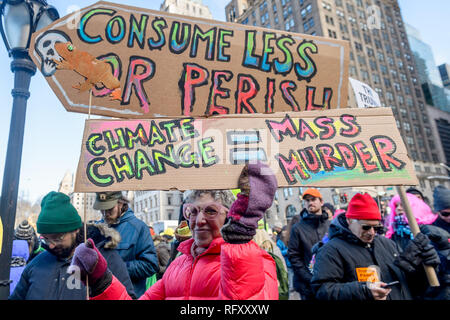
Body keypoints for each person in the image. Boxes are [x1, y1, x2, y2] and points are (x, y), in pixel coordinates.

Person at [69, 162, 279, 300]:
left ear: (230, 215)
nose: (199, 220)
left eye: (211, 211)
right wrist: (101, 280)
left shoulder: (259, 261)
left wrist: (239, 239)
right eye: (192, 211)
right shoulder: (179, 264)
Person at [310, 193, 441, 300]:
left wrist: (421, 268)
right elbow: (322, 291)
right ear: (350, 221)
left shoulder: (387, 243)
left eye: (376, 227)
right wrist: (364, 290)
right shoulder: (330, 250)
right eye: (366, 227)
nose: (371, 232)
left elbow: (409, 285)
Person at [9, 191, 136, 300]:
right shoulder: (36, 264)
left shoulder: (106, 258)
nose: (51, 245)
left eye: (58, 237)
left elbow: (126, 296)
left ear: (75, 230)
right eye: (46, 238)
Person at [94, 191, 159, 298]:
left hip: (127, 295)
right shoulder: (96, 229)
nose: (105, 214)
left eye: (110, 209)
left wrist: (119, 268)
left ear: (120, 203)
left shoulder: (139, 227)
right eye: (102, 209)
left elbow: (151, 265)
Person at [288, 188, 330, 300]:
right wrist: (308, 277)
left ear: (321, 202)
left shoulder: (330, 226)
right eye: (307, 200)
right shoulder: (298, 228)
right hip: (307, 286)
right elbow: (294, 256)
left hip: (331, 283)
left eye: (313, 199)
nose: (310, 202)